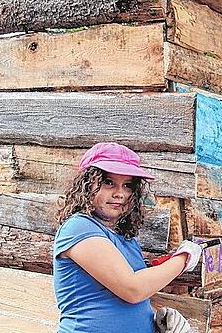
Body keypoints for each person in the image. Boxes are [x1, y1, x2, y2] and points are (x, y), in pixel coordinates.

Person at [53, 142, 203, 333]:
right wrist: (184, 258)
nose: (120, 194)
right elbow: (133, 289)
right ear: (86, 185)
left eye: (128, 185)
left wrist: (156, 320)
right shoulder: (79, 227)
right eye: (108, 182)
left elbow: (122, 303)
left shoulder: (125, 238)